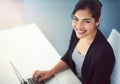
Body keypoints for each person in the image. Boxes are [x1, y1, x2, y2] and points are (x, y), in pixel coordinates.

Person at [32, 0, 115, 84]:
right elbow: (69, 57)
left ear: (97, 21)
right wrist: (51, 71)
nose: (79, 26)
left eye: (86, 21)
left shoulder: (104, 54)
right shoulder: (78, 34)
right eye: (76, 19)